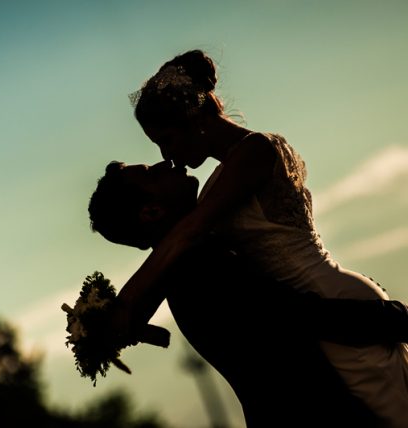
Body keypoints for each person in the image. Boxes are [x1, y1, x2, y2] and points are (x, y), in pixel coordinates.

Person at [113, 49, 408, 426]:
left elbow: (185, 235)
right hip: (323, 307)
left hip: (333, 303)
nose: (167, 156)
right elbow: (178, 253)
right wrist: (130, 315)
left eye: (166, 140)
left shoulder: (254, 152)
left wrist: (127, 302)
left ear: (193, 118)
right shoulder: (218, 186)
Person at [87, 160, 408, 427]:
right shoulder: (199, 270)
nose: (166, 162)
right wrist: (398, 318)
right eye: (152, 174)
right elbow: (302, 316)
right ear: (152, 212)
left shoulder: (191, 261)